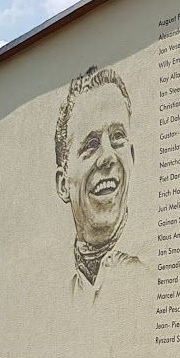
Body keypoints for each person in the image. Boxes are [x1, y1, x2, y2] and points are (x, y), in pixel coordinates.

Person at [54, 65, 148, 301]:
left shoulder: (155, 269)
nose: (108, 156)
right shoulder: (55, 292)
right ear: (63, 184)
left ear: (132, 157)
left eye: (117, 137)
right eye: (91, 144)